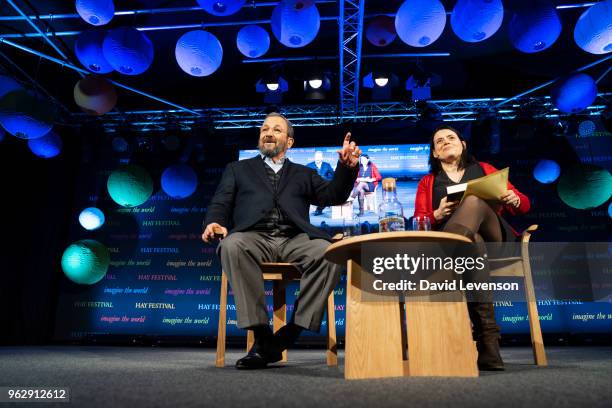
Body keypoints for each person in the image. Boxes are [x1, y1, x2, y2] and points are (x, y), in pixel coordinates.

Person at [202, 112, 361, 369]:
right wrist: (214, 222)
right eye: (265, 129)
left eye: (277, 130)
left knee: (329, 251)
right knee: (231, 244)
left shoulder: (303, 174)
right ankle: (264, 335)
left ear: (289, 142)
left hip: (294, 239)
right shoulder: (238, 169)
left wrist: (347, 168)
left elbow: (334, 195)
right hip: (254, 236)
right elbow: (221, 201)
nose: (268, 133)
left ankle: (291, 332)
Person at [413, 125, 530, 371]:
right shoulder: (428, 182)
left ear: (463, 144)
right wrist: (436, 214)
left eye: (451, 137)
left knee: (474, 200)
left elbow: (524, 205)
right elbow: (419, 220)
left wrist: (514, 199)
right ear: (434, 153)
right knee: (472, 244)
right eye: (439, 141)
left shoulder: (484, 169)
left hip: (494, 239)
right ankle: (489, 346)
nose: (445, 142)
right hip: (473, 250)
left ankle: (447, 257)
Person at [306, 151, 335, 215]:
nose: (317, 158)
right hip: (313, 186)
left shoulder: (327, 165)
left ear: (322, 158)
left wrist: (328, 181)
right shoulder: (309, 165)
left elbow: (333, 175)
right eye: (316, 157)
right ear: (314, 157)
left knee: (327, 194)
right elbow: (305, 177)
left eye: (319, 157)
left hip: (324, 186)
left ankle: (319, 209)